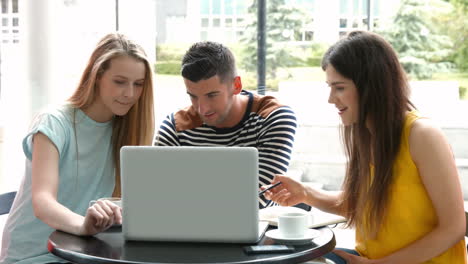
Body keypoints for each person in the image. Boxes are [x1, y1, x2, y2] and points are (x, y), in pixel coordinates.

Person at [264, 31, 467, 264]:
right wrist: (305, 194)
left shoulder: (423, 136)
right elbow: (363, 206)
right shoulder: (367, 134)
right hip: (371, 259)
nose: (331, 99)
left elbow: (454, 227)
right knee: (280, 255)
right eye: (330, 87)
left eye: (339, 88)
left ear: (371, 86)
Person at [0, 33, 155, 264]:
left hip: (87, 254)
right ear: (97, 76)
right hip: (34, 256)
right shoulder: (53, 122)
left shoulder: (128, 131)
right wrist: (84, 225)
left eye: (138, 84)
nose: (130, 94)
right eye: (120, 81)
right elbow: (43, 202)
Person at [154, 41, 297, 208]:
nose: (202, 108)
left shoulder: (273, 117)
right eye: (193, 96)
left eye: (212, 95)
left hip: (258, 227)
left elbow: (259, 198)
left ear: (236, 85)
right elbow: (157, 196)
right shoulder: (175, 127)